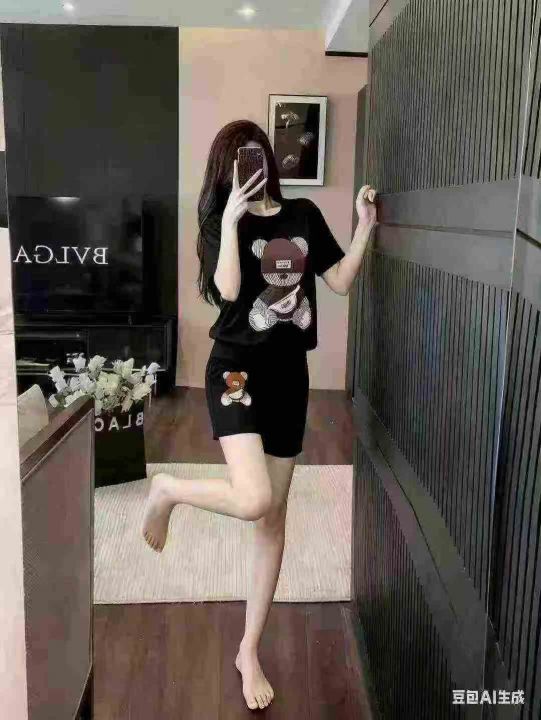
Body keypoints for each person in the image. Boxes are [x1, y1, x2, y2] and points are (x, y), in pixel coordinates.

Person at [142, 119, 377, 711]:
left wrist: (365, 228)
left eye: (256, 154)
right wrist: (229, 223)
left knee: (273, 520)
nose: (250, 165)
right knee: (253, 500)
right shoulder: (220, 224)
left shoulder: (304, 216)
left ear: (270, 157)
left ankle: (249, 649)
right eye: (237, 160)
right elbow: (227, 291)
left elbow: (340, 281)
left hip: (289, 380)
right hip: (236, 372)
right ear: (225, 172)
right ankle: (168, 488)